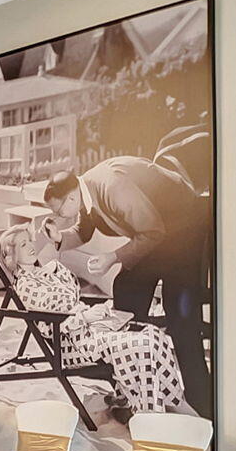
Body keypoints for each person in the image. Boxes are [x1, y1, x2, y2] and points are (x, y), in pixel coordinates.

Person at [41, 144, 211, 412]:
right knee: (127, 288)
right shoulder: (85, 192)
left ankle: (202, 402)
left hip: (184, 230)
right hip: (160, 236)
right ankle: (133, 381)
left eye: (59, 211)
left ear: (71, 198)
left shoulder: (111, 186)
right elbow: (84, 232)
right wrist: (59, 237)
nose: (59, 216)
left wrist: (113, 257)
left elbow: (152, 231)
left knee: (180, 319)